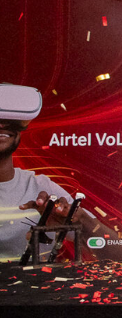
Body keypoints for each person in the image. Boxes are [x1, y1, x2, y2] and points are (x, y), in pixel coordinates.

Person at [0, 84, 113, 261]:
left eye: (12, 118)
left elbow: (118, 255)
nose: (2, 124)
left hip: (36, 288)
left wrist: (82, 221)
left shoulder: (41, 189)